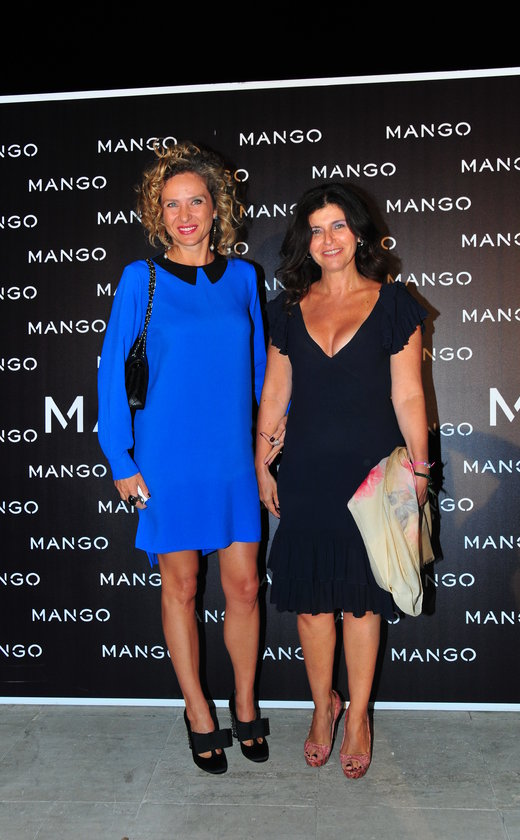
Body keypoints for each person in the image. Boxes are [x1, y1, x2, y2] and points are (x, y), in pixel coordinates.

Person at [97, 141, 277, 775]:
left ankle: (244, 700)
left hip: (231, 456)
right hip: (166, 456)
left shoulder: (245, 277)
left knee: (245, 585)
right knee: (180, 585)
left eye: (195, 201)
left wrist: (268, 445)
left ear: (216, 206)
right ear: (158, 213)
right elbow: (112, 372)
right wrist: (121, 459)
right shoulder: (139, 279)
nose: (184, 215)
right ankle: (198, 710)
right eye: (171, 205)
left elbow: (261, 372)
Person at [256, 182, 430, 780]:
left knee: (360, 604)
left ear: (359, 234)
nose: (327, 239)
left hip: (370, 479)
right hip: (305, 473)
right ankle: (321, 707)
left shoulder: (393, 303)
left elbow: (408, 395)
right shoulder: (288, 307)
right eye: (315, 229)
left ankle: (358, 715)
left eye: (337, 226)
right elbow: (274, 392)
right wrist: (262, 463)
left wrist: (420, 468)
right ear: (304, 241)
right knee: (310, 606)